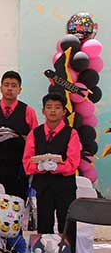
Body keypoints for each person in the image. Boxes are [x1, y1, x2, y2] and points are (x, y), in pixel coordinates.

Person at [23, 93, 81, 239]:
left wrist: (57, 167)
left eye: (57, 107)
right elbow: (27, 162)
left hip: (65, 187)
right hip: (43, 187)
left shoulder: (71, 133)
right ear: (43, 111)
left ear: (64, 112)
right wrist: (40, 167)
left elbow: (73, 163)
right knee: (44, 224)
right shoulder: (35, 134)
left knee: (67, 225)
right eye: (49, 107)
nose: (53, 111)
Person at [0, 71, 38, 199]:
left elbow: (35, 139)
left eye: (14, 85)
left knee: (18, 203)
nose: (10, 89)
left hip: (19, 167)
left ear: (20, 90)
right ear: (1, 88)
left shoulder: (28, 111)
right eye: (6, 85)